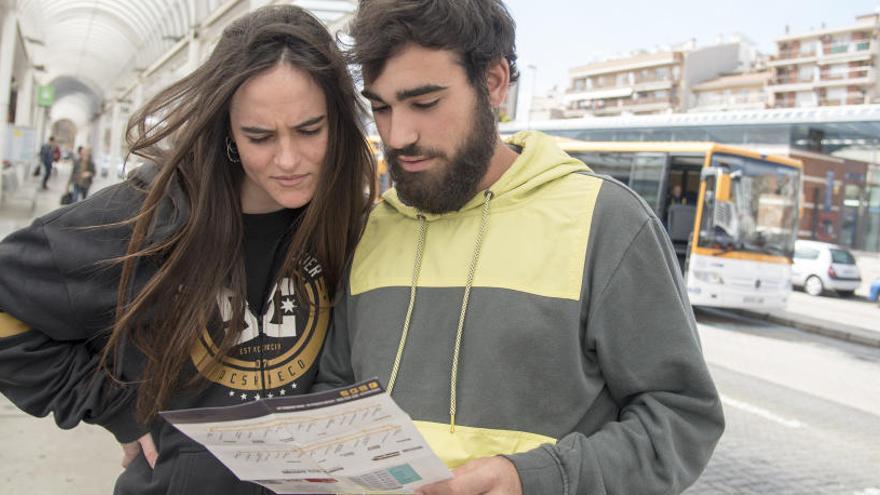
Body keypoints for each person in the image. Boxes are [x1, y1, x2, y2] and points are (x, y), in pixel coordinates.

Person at [315, 1, 725, 494]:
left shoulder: (607, 223)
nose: (398, 136)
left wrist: (534, 480)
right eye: (381, 107)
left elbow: (682, 421)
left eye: (424, 103)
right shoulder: (370, 229)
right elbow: (335, 392)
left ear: (493, 83)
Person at [0, 5, 374, 494]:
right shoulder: (152, 215)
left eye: (310, 130)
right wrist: (117, 407)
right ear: (228, 131)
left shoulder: (348, 217)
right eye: (259, 136)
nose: (288, 160)